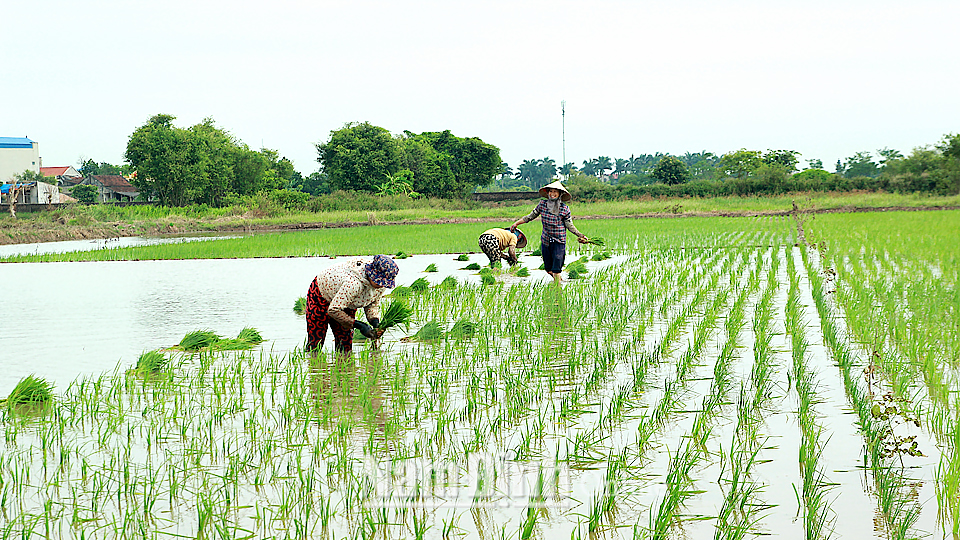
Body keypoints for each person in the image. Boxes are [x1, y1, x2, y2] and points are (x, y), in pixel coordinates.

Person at [305, 254, 399, 355]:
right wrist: (360, 326)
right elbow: (333, 310)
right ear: (372, 274)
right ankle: (312, 366)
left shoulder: (380, 286)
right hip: (321, 295)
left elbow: (372, 303)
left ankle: (342, 369)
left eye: (383, 283)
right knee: (316, 340)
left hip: (347, 301)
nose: (381, 285)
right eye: (379, 281)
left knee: (345, 344)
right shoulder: (353, 284)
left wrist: (375, 322)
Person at [512, 180, 588, 284]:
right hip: (546, 240)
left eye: (555, 192)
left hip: (559, 240)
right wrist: (517, 223)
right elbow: (530, 217)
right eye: (551, 191)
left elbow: (569, 225)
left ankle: (557, 289)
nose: (552, 194)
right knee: (548, 268)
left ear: (560, 194)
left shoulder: (564, 209)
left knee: (557, 267)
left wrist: (580, 235)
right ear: (548, 193)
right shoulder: (542, 204)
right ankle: (560, 281)